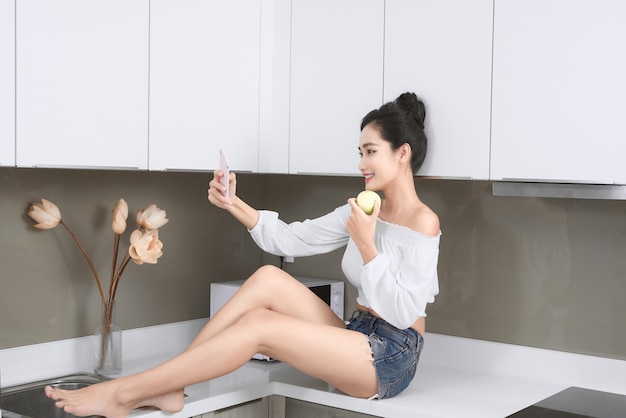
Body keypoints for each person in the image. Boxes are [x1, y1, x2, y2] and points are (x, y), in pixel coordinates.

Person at [44, 92, 441, 417]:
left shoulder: (425, 223)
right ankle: (172, 385)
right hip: (357, 334)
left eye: (370, 151)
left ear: (401, 153)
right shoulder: (362, 208)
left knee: (260, 328)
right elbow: (289, 241)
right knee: (269, 278)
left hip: (392, 355)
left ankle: (125, 392)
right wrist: (233, 203)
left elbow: (404, 312)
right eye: (360, 152)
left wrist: (368, 246)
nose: (360, 163)